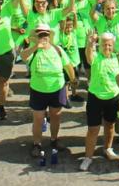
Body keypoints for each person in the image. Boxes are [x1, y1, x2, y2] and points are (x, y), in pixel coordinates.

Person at [20, 22, 76, 166]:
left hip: (57, 89)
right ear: (36, 36)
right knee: (38, 118)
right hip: (38, 90)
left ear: (49, 36)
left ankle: (54, 139)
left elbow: (68, 65)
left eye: (45, 34)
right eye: (40, 34)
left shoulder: (57, 49)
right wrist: (35, 46)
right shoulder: (32, 50)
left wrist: (73, 80)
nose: (43, 37)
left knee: (55, 116)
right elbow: (22, 55)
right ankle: (37, 144)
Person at [80, 32, 119, 172]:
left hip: (113, 97)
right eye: (104, 44)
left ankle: (108, 149)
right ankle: (88, 157)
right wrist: (90, 44)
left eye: (109, 44)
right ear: (100, 45)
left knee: (110, 125)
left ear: (113, 45)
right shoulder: (96, 57)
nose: (107, 47)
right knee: (93, 129)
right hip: (95, 97)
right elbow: (89, 55)